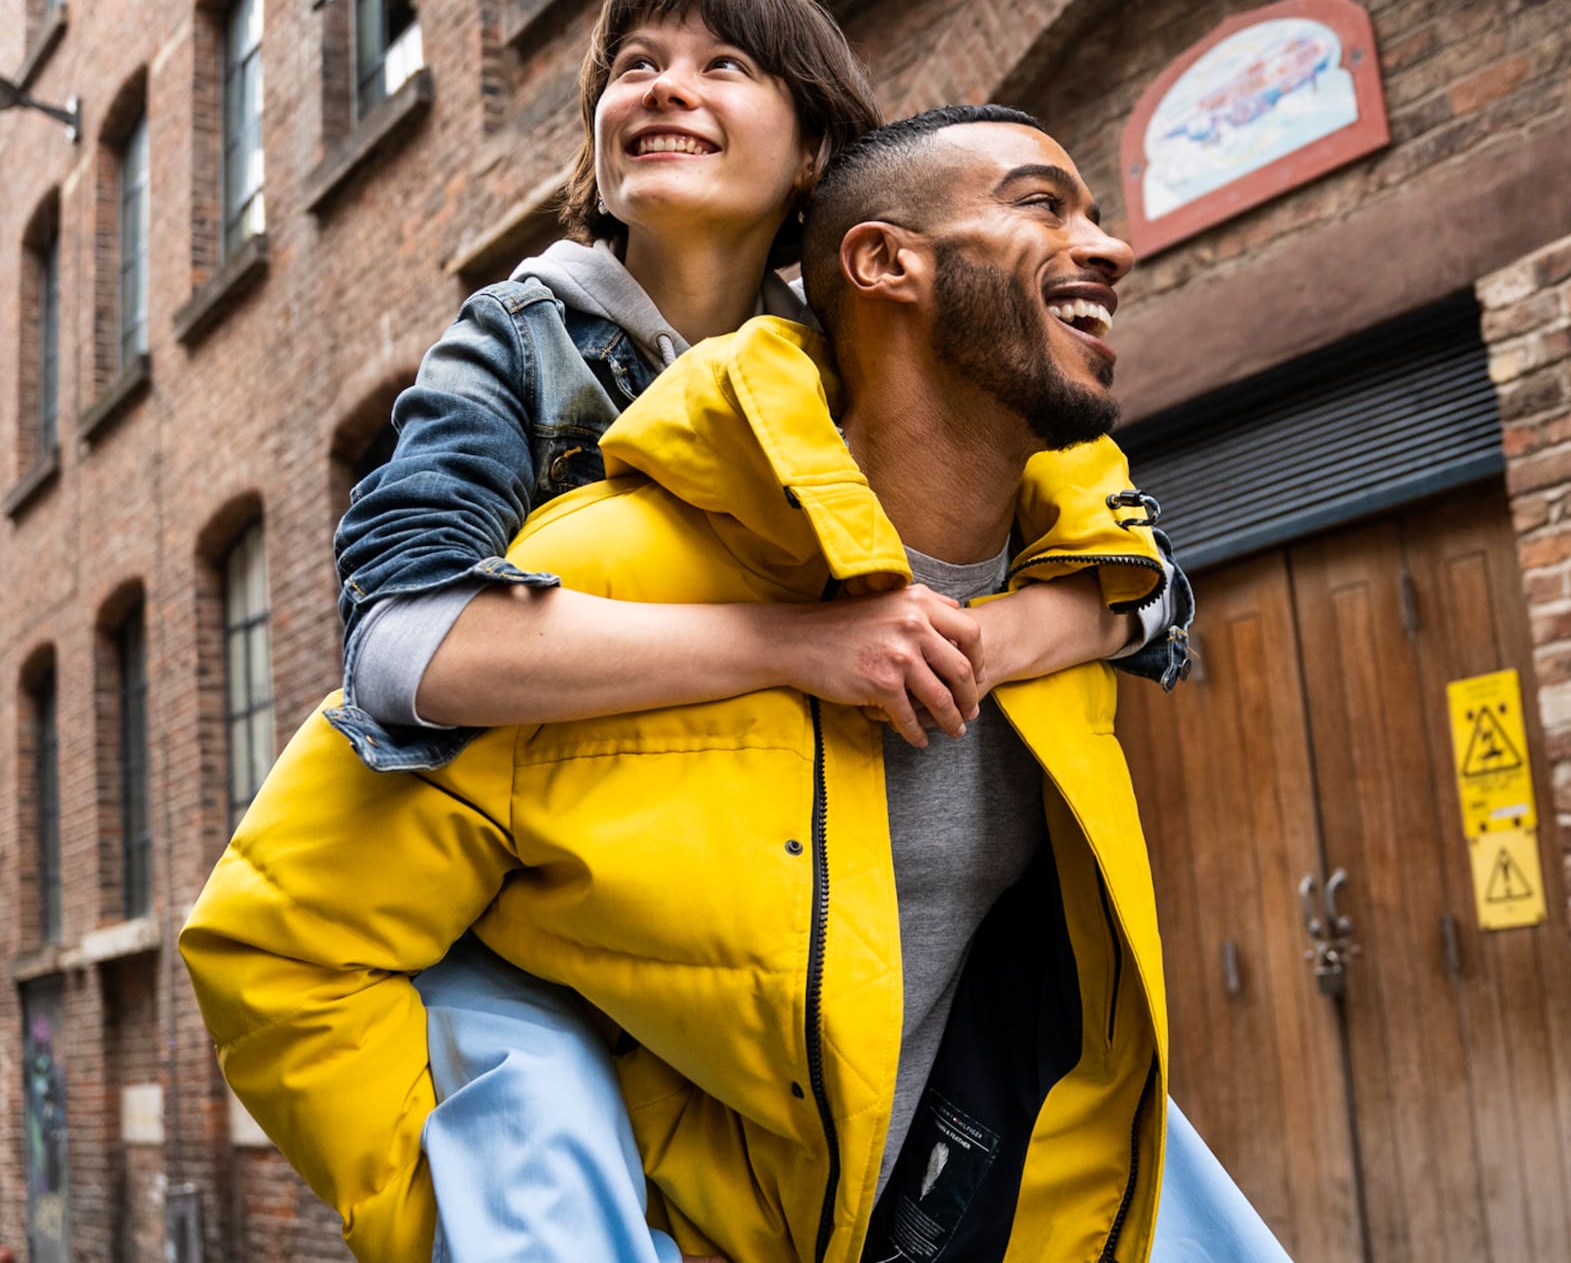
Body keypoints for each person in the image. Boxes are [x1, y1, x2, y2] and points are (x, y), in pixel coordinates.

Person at [184, 106, 1212, 1262]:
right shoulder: (596, 588)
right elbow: (276, 945)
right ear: (883, 263)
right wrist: (500, 1232)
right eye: (1042, 204)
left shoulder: (1068, 615)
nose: (1112, 243)